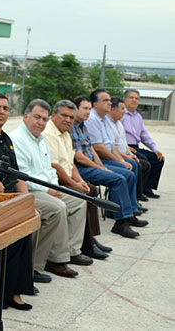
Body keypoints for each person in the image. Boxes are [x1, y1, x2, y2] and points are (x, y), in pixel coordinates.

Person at [10, 99, 89, 279]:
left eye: (44, 119)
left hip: (46, 188)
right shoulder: (18, 139)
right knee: (57, 208)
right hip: (28, 190)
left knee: (78, 200)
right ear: (25, 116)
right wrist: (47, 190)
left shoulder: (40, 139)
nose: (41, 122)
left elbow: (49, 169)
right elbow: (23, 175)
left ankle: (71, 250)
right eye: (37, 117)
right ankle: (42, 264)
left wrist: (54, 186)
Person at [0, 93, 34, 310]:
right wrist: (11, 203)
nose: (2, 112)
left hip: (10, 198)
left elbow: (17, 174)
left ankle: (13, 291)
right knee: (10, 232)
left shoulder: (6, 138)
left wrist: (26, 202)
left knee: (26, 227)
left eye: (5, 108)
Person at [42, 99, 109, 260]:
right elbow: (56, 167)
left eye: (71, 117)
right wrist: (75, 185)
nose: (68, 120)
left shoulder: (65, 133)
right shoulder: (49, 134)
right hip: (54, 181)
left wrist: (80, 182)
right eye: (64, 115)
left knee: (89, 188)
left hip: (65, 177)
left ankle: (90, 240)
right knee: (84, 195)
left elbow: (70, 163)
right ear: (53, 115)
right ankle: (85, 245)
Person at [71, 96, 146, 239]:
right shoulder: (72, 127)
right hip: (81, 168)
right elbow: (80, 157)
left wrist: (101, 166)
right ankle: (121, 223)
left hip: (92, 164)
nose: (88, 112)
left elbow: (92, 149)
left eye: (88, 109)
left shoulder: (82, 125)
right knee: (119, 179)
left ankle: (126, 213)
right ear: (76, 109)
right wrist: (100, 168)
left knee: (129, 173)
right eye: (85, 108)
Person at [86, 89, 146, 219]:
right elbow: (99, 148)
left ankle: (129, 207)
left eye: (109, 100)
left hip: (105, 156)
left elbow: (112, 145)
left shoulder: (104, 120)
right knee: (126, 172)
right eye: (105, 100)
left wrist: (123, 159)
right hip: (99, 158)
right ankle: (123, 212)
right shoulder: (92, 119)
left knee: (132, 165)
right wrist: (120, 161)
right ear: (95, 104)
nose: (109, 103)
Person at [121, 89, 165, 199]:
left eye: (136, 98)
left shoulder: (138, 117)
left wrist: (155, 149)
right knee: (144, 160)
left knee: (158, 159)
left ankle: (147, 188)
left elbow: (144, 136)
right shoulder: (120, 114)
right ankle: (138, 192)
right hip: (125, 147)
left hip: (136, 147)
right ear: (125, 99)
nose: (134, 100)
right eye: (131, 98)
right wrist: (127, 147)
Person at [107, 96, 151, 203]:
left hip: (124, 153)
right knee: (136, 165)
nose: (124, 112)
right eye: (122, 109)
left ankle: (136, 198)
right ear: (113, 110)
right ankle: (133, 200)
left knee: (144, 163)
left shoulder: (118, 123)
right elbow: (111, 147)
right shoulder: (107, 123)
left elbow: (123, 141)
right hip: (113, 156)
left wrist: (129, 153)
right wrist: (125, 158)